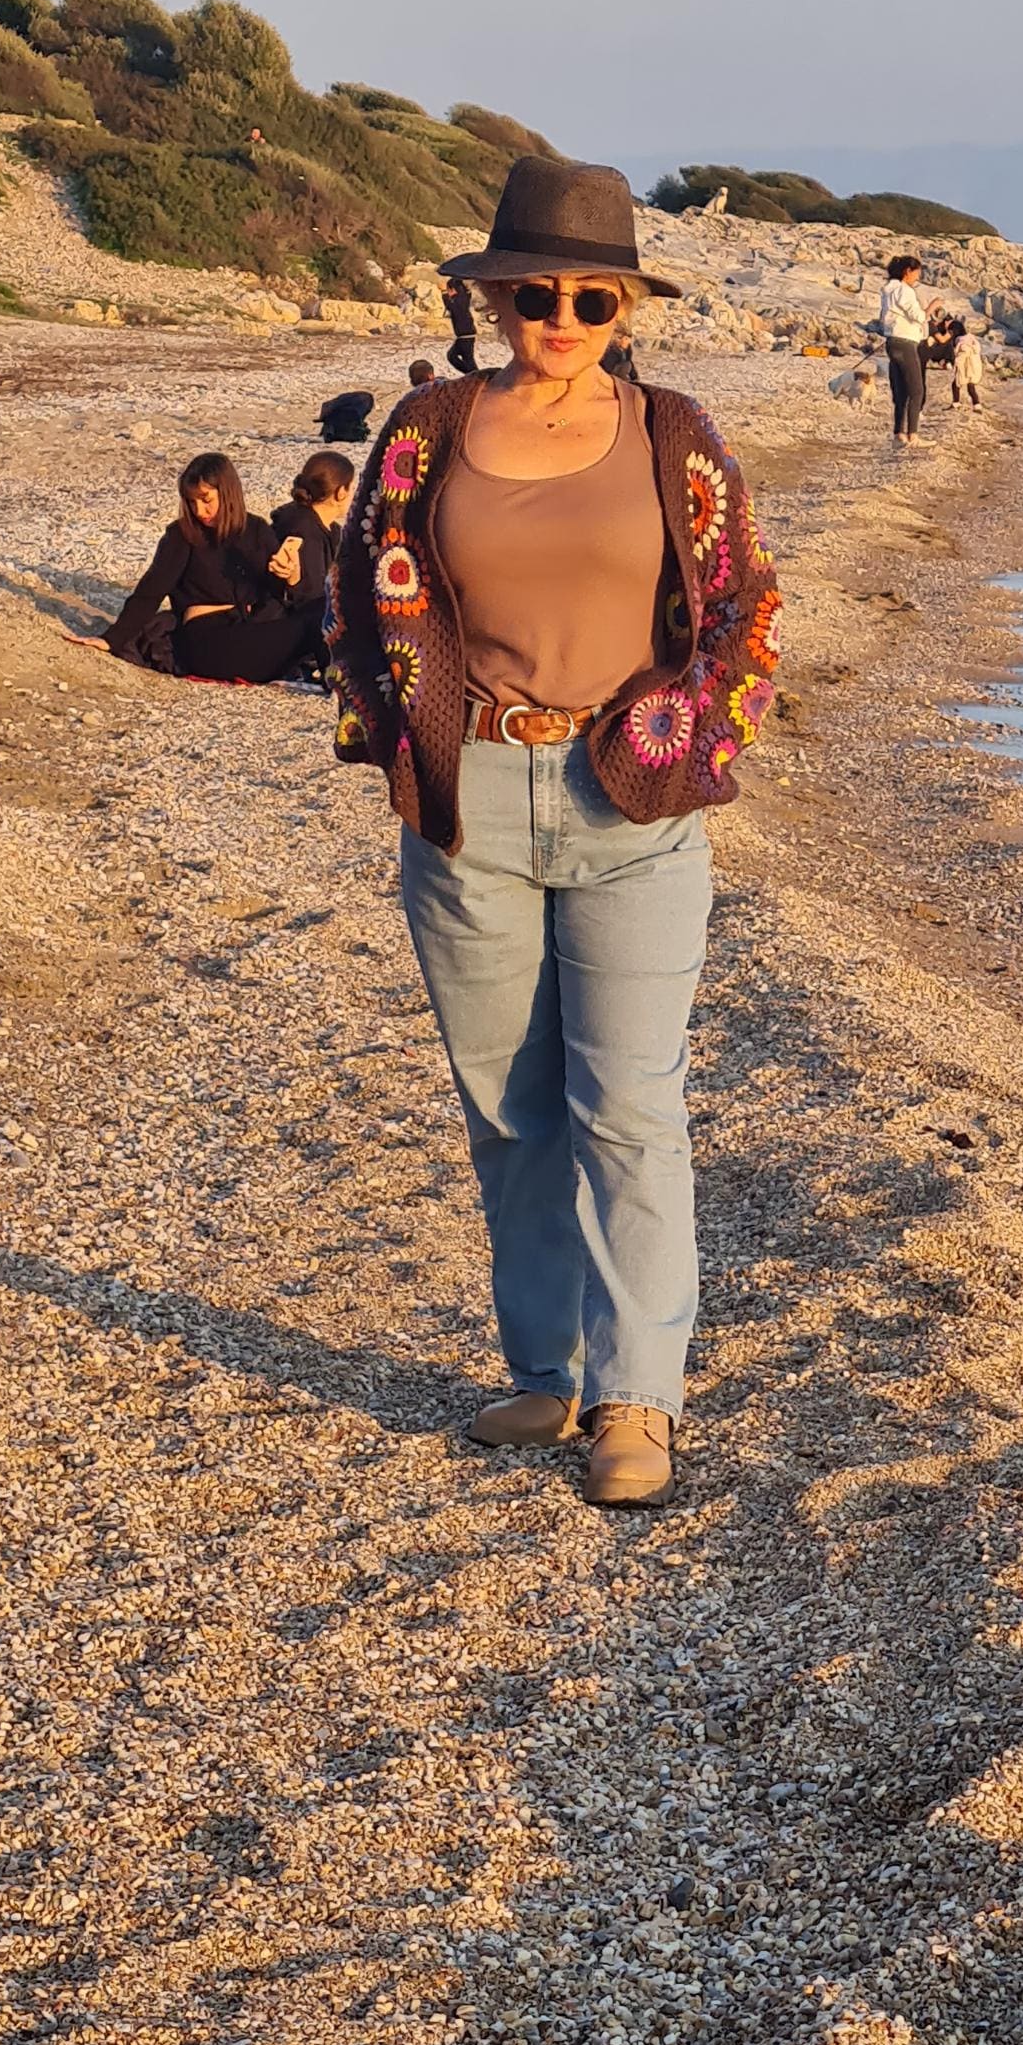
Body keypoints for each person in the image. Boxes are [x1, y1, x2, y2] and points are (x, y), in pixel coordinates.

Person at [327, 156, 781, 1510]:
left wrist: (691, 738)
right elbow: (359, 600)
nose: (560, 319)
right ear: (493, 296)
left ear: (625, 307)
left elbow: (743, 601)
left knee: (626, 1105)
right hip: (468, 806)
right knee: (508, 1112)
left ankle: (635, 1398)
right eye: (535, 292)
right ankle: (547, 1370)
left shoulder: (670, 431)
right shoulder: (424, 426)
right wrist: (400, 742)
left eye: (590, 296)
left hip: (625, 800)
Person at [64, 451, 307, 682]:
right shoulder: (181, 536)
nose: (200, 511)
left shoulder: (256, 530)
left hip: (254, 632)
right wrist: (111, 639)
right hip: (209, 642)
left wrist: (291, 576)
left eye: (206, 499)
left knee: (325, 608)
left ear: (227, 492)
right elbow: (150, 593)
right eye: (192, 502)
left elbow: (277, 594)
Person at [270, 450, 355, 680]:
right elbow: (309, 596)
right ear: (341, 492)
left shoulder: (329, 529)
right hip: (289, 626)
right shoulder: (304, 529)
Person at [880, 254, 929, 446]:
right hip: (906, 342)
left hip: (892, 341)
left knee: (900, 391)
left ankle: (898, 434)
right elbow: (917, 315)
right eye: (917, 273)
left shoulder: (887, 291)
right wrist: (931, 308)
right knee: (916, 390)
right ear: (908, 272)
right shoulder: (904, 290)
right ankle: (913, 435)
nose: (918, 277)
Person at [951, 320, 985, 406]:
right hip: (975, 365)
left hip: (965, 365)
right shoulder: (971, 338)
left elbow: (962, 353)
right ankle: (976, 404)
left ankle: (956, 403)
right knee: (971, 386)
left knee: (956, 383)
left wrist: (956, 363)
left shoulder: (960, 340)